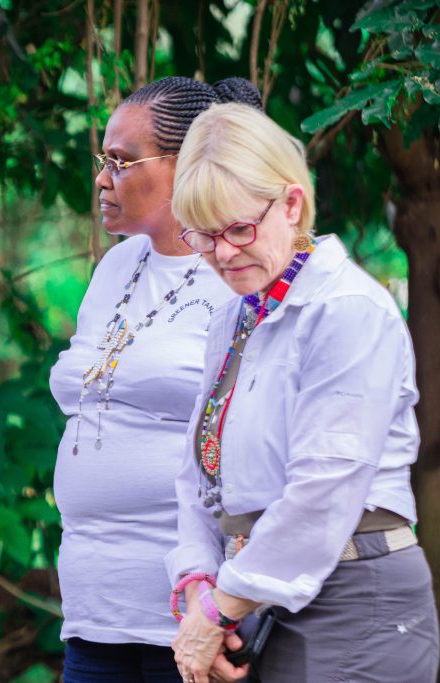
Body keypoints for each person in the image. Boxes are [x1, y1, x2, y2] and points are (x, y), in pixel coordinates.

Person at [165, 102, 440, 682]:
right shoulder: (233, 317)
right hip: (253, 600)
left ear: (291, 205)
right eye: (204, 236)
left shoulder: (347, 310)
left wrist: (219, 609)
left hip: (355, 597)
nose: (223, 253)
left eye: (239, 229)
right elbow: (199, 478)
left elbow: (325, 488)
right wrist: (198, 586)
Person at [49, 76, 261, 682]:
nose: (102, 179)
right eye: (102, 160)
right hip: (93, 610)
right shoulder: (116, 266)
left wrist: (226, 603)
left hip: (194, 616)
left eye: (120, 161)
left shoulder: (238, 277)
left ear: (188, 163)